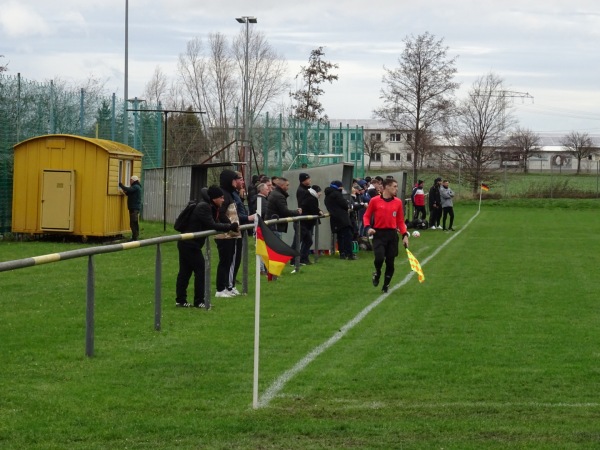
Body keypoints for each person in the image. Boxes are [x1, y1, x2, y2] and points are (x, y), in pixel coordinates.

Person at [175, 186, 239, 309]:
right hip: (189, 244)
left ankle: (181, 300)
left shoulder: (212, 207)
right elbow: (212, 224)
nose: (223, 200)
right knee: (199, 270)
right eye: (221, 198)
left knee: (185, 272)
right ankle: (198, 301)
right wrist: (229, 227)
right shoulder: (204, 207)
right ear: (214, 198)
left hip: (190, 243)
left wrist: (230, 225)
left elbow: (219, 219)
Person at [362, 178, 409, 293]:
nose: (396, 189)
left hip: (392, 235)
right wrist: (368, 228)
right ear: (386, 187)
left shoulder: (397, 202)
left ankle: (386, 285)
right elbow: (366, 216)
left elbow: (400, 221)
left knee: (390, 262)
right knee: (379, 258)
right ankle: (377, 272)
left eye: (396, 186)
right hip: (379, 234)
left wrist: (404, 235)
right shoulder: (374, 201)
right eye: (394, 186)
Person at [214, 169, 242, 298]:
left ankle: (227, 287)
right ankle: (221, 289)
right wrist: (230, 225)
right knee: (225, 261)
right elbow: (221, 214)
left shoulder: (230, 194)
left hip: (230, 234)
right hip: (225, 235)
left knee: (229, 260)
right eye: (235, 179)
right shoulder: (224, 195)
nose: (237, 182)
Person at [324, 180, 355, 260]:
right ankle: (349, 254)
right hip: (343, 218)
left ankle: (342, 253)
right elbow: (344, 205)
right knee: (348, 236)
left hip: (334, 219)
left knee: (340, 237)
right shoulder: (337, 194)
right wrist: (347, 205)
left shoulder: (327, 196)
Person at [298, 184, 323, 265]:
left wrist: (319, 211)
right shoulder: (311, 198)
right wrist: (319, 212)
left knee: (307, 241)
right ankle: (298, 259)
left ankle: (302, 258)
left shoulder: (310, 197)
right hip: (304, 223)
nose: (320, 195)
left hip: (305, 223)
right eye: (319, 193)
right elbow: (313, 209)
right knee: (303, 241)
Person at [119, 175, 142, 241]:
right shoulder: (136, 187)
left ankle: (135, 237)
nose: (130, 181)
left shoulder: (136, 187)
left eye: (130, 180)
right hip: (133, 207)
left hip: (134, 208)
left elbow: (128, 189)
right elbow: (128, 192)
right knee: (134, 222)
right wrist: (124, 191)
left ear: (133, 180)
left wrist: (121, 185)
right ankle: (135, 236)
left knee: (133, 222)